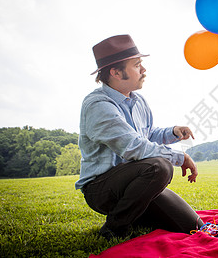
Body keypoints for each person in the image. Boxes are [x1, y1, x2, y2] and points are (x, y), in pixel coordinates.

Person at [75, 34, 203, 240]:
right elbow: (134, 146)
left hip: (136, 181)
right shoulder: (98, 105)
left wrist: (172, 132)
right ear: (116, 72)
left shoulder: (139, 100)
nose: (143, 70)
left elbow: (148, 134)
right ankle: (113, 229)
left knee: (194, 226)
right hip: (102, 188)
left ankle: (137, 214)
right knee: (160, 166)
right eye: (137, 65)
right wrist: (181, 158)